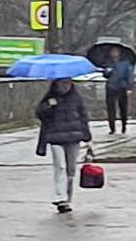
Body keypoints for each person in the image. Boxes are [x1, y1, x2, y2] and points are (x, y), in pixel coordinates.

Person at [36, 77, 95, 213]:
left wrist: (87, 137)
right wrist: (49, 106)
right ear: (56, 84)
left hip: (73, 139)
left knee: (70, 170)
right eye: (63, 83)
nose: (66, 86)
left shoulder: (76, 98)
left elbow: (83, 117)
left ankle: (67, 199)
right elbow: (40, 114)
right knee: (60, 167)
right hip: (55, 138)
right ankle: (60, 197)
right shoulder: (50, 98)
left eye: (68, 83)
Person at [105, 51, 136, 134]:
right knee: (110, 108)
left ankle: (124, 126)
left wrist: (129, 87)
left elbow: (129, 75)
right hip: (111, 87)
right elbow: (105, 75)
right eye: (112, 51)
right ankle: (112, 128)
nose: (113, 53)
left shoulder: (125, 63)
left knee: (123, 107)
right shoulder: (108, 62)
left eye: (115, 51)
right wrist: (107, 71)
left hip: (122, 87)